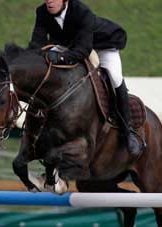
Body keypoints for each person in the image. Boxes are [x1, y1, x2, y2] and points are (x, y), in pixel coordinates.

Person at [28, 0, 141, 156]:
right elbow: (37, 43)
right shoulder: (42, 12)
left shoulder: (82, 12)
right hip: (70, 44)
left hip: (102, 45)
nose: (49, 1)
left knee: (115, 78)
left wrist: (59, 58)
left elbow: (83, 50)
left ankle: (128, 131)